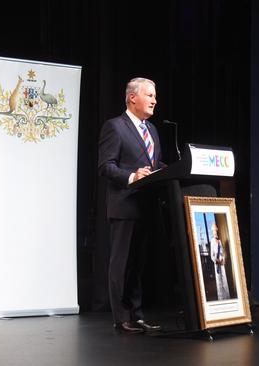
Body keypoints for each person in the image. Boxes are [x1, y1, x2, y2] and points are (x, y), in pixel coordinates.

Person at [98, 77, 166, 334]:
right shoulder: (115, 127)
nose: (154, 101)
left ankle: (136, 315)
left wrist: (171, 171)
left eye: (155, 96)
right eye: (149, 95)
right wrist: (131, 176)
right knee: (121, 264)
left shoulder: (153, 130)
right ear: (132, 98)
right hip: (124, 205)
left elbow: (155, 165)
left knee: (137, 266)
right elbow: (105, 166)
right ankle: (121, 318)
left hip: (145, 207)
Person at [210, 223, 231, 300]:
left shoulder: (219, 240)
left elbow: (222, 251)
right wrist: (216, 260)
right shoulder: (212, 241)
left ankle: (226, 296)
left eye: (215, 229)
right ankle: (221, 297)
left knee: (224, 277)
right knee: (219, 279)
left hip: (221, 262)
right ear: (212, 231)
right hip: (217, 263)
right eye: (213, 230)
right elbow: (211, 255)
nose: (215, 231)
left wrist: (223, 259)